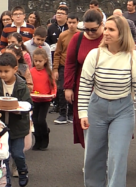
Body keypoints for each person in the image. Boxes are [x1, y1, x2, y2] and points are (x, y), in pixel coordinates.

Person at [78, 15, 136, 187]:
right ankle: (92, 184)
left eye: (111, 30)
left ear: (122, 34)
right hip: (97, 106)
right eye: (105, 29)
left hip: (123, 109)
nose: (106, 33)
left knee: (118, 154)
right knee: (94, 150)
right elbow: (84, 86)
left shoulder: (134, 57)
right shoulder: (95, 55)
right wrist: (83, 112)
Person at [0, 53, 33, 187]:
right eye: (0, 71)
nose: (3, 74)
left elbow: (28, 104)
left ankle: (22, 170)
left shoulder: (21, 85)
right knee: (4, 154)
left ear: (15, 69)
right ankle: (6, 182)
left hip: (18, 126)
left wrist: (19, 110)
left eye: (6, 71)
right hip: (1, 126)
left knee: (17, 153)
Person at [64, 9, 104, 148]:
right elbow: (69, 63)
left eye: (94, 29)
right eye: (87, 29)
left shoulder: (108, 37)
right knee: (84, 122)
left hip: (105, 88)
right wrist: (68, 87)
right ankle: (89, 156)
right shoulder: (78, 38)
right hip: (82, 88)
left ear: (101, 24)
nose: (90, 33)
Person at [53, 13, 79, 124]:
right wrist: (55, 69)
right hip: (63, 66)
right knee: (61, 89)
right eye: (70, 22)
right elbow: (57, 53)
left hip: (77, 66)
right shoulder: (63, 35)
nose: (72, 25)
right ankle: (63, 114)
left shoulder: (81, 35)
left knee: (74, 89)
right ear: (67, 22)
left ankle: (72, 114)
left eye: (74, 23)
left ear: (77, 23)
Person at [30, 48, 57, 150]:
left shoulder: (48, 72)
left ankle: (45, 138)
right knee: (35, 121)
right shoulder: (31, 71)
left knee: (41, 120)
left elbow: (53, 85)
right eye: (35, 61)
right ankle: (37, 140)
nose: (37, 63)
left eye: (40, 61)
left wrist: (53, 94)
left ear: (45, 60)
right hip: (35, 99)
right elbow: (28, 84)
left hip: (45, 100)